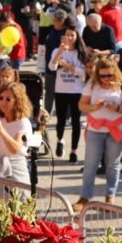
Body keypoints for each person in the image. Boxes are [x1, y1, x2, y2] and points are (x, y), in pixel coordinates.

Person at [75, 59, 122, 208]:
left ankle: (110, 195)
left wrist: (117, 108)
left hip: (117, 130)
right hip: (96, 129)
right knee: (90, 164)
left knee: (112, 164)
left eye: (110, 75)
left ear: (115, 73)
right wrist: (94, 107)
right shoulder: (92, 85)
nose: (107, 79)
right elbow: (81, 105)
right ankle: (85, 196)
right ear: (97, 75)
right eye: (103, 76)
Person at [48, 25, 87, 162]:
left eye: (72, 35)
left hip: (76, 90)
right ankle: (60, 140)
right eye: (67, 35)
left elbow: (84, 73)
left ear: (77, 37)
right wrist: (59, 52)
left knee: (76, 122)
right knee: (60, 120)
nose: (70, 38)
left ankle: (74, 151)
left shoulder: (81, 53)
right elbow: (51, 67)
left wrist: (67, 66)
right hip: (61, 90)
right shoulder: (57, 51)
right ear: (63, 36)